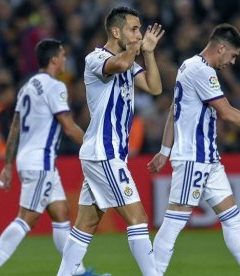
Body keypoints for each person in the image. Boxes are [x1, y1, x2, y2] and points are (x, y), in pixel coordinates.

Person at [147, 23, 240, 276]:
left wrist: (165, 150)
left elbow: (174, 110)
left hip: (208, 159)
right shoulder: (202, 71)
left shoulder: (188, 65)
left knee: (232, 218)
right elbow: (227, 112)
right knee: (174, 221)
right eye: (232, 55)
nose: (232, 62)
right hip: (193, 157)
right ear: (221, 48)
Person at [0, 39, 106, 276]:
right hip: (40, 161)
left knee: (61, 214)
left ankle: (77, 271)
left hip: (31, 159)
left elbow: (14, 128)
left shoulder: (27, 86)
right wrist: (95, 145)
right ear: (54, 59)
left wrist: (7, 164)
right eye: (63, 55)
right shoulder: (54, 87)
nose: (65, 59)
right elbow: (67, 125)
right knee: (27, 218)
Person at [57, 6, 164, 276]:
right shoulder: (96, 58)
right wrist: (137, 48)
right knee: (138, 218)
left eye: (139, 29)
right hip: (104, 153)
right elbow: (120, 64)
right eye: (134, 29)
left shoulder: (130, 60)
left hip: (106, 154)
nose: (139, 34)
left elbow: (154, 87)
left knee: (86, 225)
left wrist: (149, 53)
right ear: (116, 32)